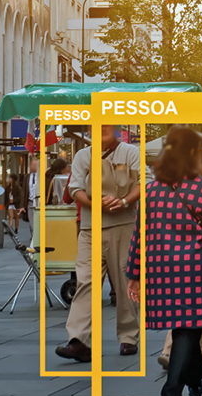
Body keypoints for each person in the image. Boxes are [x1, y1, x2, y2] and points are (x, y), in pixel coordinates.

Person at [126, 125, 202, 396]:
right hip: (199, 268)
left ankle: (195, 377)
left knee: (184, 328)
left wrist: (134, 274)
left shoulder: (150, 191)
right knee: (188, 327)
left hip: (162, 268)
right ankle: (171, 395)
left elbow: (140, 235)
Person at [56, 124, 142, 363]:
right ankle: (79, 340)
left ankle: (129, 337)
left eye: (106, 124)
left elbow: (142, 184)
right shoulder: (84, 156)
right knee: (85, 282)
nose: (101, 128)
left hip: (123, 226)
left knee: (125, 281)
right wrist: (94, 205)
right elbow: (75, 189)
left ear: (116, 128)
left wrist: (124, 202)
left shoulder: (130, 152)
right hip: (89, 229)